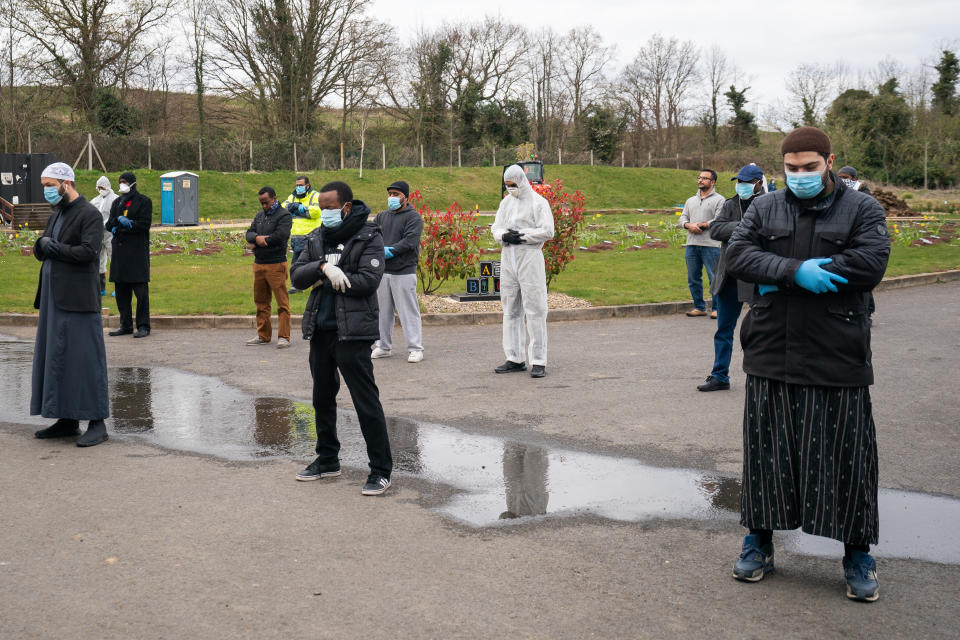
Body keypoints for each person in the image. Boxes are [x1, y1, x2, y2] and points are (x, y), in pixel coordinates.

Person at [725, 126, 889, 602]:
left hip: (837, 351)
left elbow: (870, 263)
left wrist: (776, 273)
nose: (799, 176)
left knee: (848, 457)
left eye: (809, 168)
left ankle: (857, 553)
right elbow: (738, 255)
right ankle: (759, 542)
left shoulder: (862, 208)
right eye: (791, 169)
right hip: (771, 348)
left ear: (829, 161)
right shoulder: (764, 206)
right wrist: (796, 270)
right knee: (766, 454)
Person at [290, 181, 393, 496]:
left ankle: (380, 470)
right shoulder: (317, 237)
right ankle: (327, 459)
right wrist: (323, 267)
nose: (325, 212)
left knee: (365, 402)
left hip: (353, 332)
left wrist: (334, 276)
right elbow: (296, 274)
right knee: (322, 397)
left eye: (330, 207)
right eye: (321, 207)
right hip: (321, 328)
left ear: (346, 207)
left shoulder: (369, 236)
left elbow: (369, 280)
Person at [31, 162, 110, 447]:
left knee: (84, 360)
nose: (47, 192)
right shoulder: (58, 213)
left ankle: (97, 422)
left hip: (78, 300)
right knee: (58, 357)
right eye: (45, 187)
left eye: (50, 186)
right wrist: (42, 246)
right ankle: (67, 419)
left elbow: (89, 252)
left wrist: (55, 248)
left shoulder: (89, 214)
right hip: (55, 298)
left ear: (67, 183)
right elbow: (45, 243)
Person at [697, 164, 766, 392]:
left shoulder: (770, 204)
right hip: (728, 277)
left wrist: (734, 228)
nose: (741, 186)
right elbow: (716, 230)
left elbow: (768, 233)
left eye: (746, 183)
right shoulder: (730, 203)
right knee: (723, 330)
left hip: (756, 277)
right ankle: (719, 376)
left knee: (759, 331)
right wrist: (746, 226)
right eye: (739, 182)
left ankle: (762, 376)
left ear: (758, 183)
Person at [490, 164, 554, 379]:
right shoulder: (506, 203)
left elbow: (548, 231)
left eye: (513, 185)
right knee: (510, 309)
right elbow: (496, 227)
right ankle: (515, 358)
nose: (510, 189)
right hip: (509, 259)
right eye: (507, 185)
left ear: (522, 181)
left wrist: (523, 236)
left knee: (535, 309)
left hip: (530, 258)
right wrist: (503, 237)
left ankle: (538, 360)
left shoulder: (539, 203)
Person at [372, 180, 424, 363]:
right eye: (390, 194)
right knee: (382, 312)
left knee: (408, 311)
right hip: (384, 271)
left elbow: (410, 242)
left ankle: (415, 348)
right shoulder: (381, 217)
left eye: (396, 194)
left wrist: (389, 251)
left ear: (406, 198)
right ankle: (383, 346)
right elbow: (372, 235)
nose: (392, 197)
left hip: (404, 271)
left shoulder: (413, 217)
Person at [105, 171, 152, 338]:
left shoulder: (144, 201)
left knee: (141, 293)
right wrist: (116, 222)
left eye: (124, 182)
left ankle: (143, 326)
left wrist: (130, 224)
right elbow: (109, 224)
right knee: (121, 293)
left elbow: (144, 224)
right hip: (119, 253)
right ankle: (125, 325)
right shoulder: (117, 202)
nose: (121, 184)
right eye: (120, 182)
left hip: (136, 254)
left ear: (132, 183)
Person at [244, 186, 292, 348]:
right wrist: (258, 238)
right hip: (259, 264)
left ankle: (284, 337)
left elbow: (280, 236)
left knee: (282, 303)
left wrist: (263, 241)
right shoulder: (259, 216)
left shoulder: (284, 215)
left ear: (274, 198)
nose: (264, 206)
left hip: (276, 264)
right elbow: (249, 233)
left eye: (266, 202)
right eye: (261, 203)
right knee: (261, 302)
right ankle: (263, 335)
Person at [678, 169, 725, 318]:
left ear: (712, 182)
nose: (700, 180)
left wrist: (703, 225)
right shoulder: (690, 200)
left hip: (711, 245)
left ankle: (717, 308)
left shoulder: (720, 200)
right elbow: (682, 218)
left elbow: (719, 219)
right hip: (691, 244)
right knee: (693, 278)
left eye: (704, 178)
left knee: (714, 278)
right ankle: (699, 307)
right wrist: (688, 225)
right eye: (699, 177)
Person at [282, 175, 322, 294]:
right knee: (296, 263)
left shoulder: (315, 195)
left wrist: (302, 209)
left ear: (307, 185)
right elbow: (283, 208)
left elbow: (316, 212)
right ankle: (296, 286)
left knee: (314, 262)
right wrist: (291, 207)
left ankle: (318, 283)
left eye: (301, 185)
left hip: (311, 236)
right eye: (297, 185)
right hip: (296, 237)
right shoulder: (292, 196)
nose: (298, 187)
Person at [90, 176, 117, 295]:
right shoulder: (95, 200)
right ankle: (101, 288)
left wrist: (109, 224)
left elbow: (117, 215)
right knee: (99, 259)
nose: (100, 189)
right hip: (98, 233)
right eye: (99, 187)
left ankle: (119, 288)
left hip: (111, 233)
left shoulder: (116, 199)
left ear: (107, 186)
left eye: (102, 187)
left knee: (115, 259)